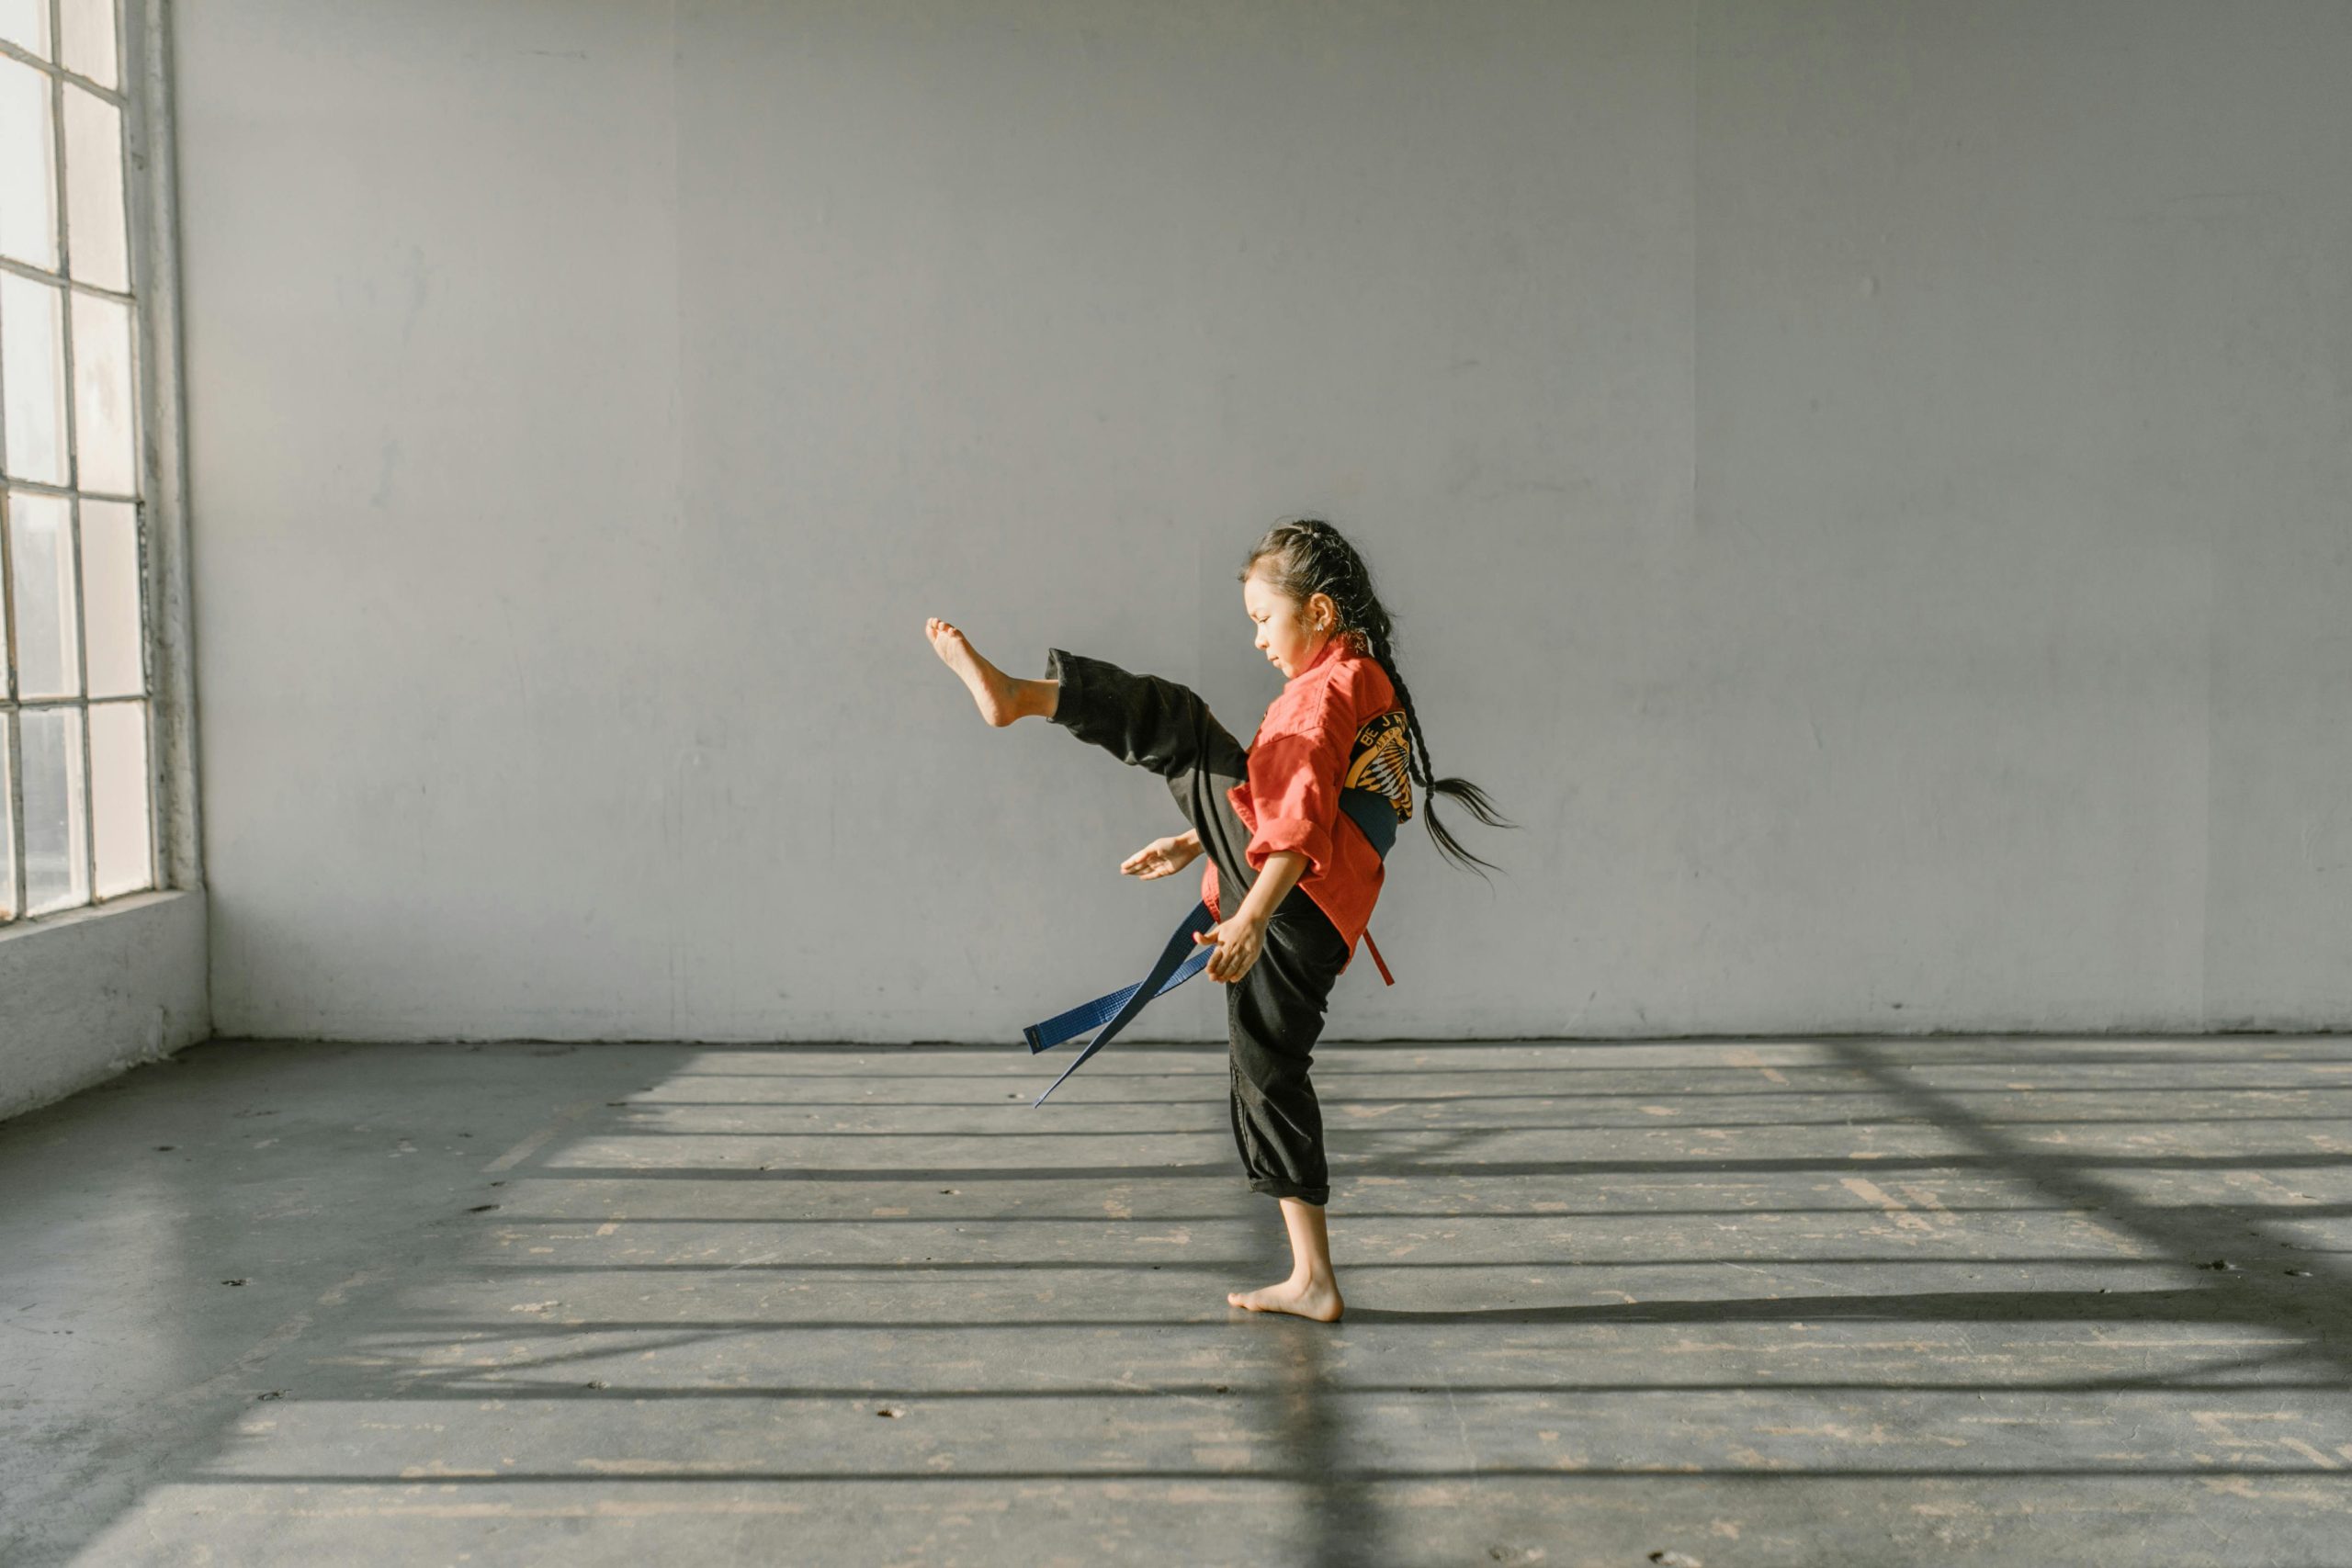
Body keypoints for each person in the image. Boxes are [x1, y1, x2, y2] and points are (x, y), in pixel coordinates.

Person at [925, 517, 1510, 1322]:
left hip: (1293, 901)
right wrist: (1199, 837)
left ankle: (1022, 697)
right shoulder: (1359, 683)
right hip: (1316, 914)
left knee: (1177, 723)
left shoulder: (1321, 693)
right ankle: (1313, 1277)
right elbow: (1306, 807)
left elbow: (1299, 819)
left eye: (1265, 620)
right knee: (1267, 1071)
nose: (1260, 641)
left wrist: (1251, 918)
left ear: (1320, 615)